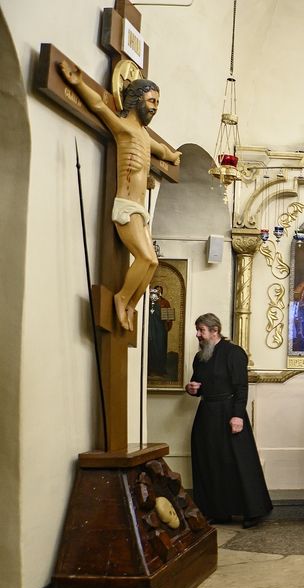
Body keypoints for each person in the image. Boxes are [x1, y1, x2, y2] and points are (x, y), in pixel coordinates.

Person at [59, 62, 182, 332]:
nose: (155, 107)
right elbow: (99, 106)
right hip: (126, 207)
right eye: (151, 101)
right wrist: (78, 83)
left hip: (140, 210)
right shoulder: (124, 128)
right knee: (145, 259)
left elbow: (161, 150)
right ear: (136, 100)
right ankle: (122, 298)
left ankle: (131, 304)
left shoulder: (144, 136)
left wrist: (172, 155)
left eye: (157, 102)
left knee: (153, 263)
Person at [185, 313, 272, 527]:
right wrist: (192, 389)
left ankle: (253, 512)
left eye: (201, 330)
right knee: (210, 461)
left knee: (239, 462)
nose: (198, 334)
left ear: (215, 331)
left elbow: (241, 387)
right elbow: (199, 385)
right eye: (198, 330)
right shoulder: (200, 357)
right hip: (207, 413)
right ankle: (217, 511)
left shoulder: (234, 353)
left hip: (229, 412)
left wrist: (237, 416)